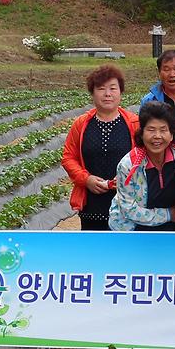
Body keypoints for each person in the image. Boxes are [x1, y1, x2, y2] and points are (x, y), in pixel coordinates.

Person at [62, 65, 140, 230]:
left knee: (125, 251)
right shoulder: (81, 124)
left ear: (121, 92)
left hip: (127, 203)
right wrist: (86, 179)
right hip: (91, 204)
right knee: (93, 251)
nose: (107, 94)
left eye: (113, 88)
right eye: (101, 89)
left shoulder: (134, 123)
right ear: (92, 93)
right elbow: (68, 157)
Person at [108, 101, 175, 231]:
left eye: (163, 130)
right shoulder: (128, 166)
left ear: (172, 135)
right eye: (151, 130)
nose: (157, 136)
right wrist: (169, 214)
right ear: (141, 134)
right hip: (131, 230)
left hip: (170, 227)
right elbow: (129, 210)